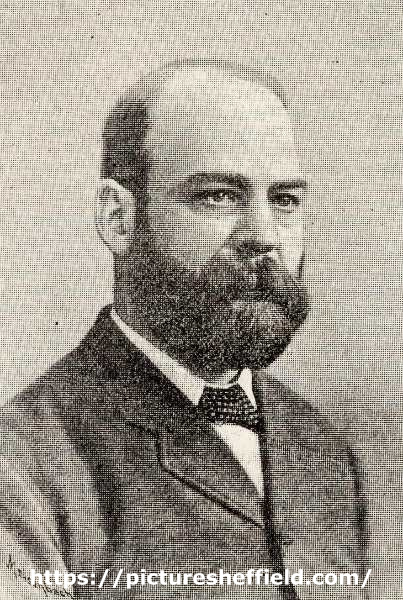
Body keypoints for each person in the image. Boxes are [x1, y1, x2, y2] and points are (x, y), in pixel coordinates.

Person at [0, 59, 368, 599]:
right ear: (118, 218)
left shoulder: (320, 448)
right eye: (218, 196)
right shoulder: (23, 461)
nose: (264, 235)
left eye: (284, 200)